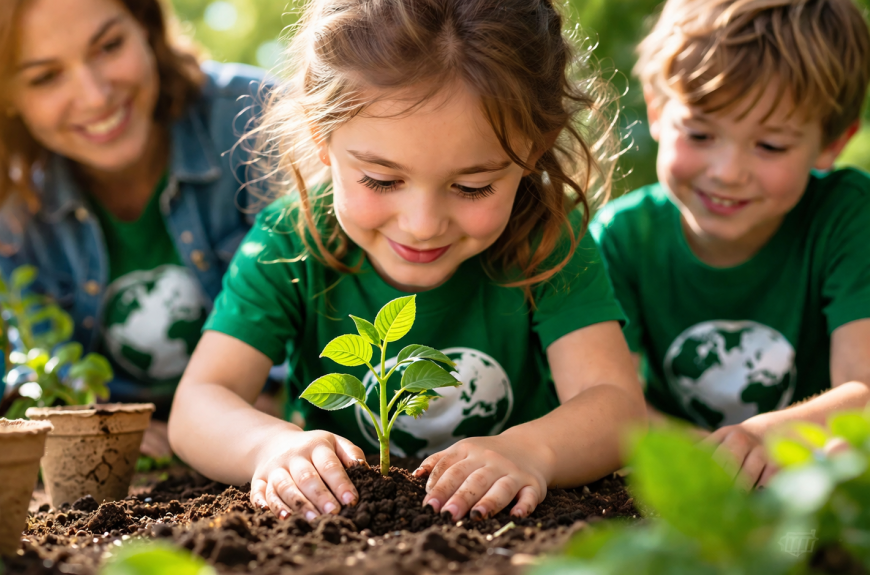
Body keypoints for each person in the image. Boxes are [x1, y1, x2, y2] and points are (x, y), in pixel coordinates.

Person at [168, 0, 646, 523]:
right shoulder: (291, 243)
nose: (422, 224)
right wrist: (268, 446)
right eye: (381, 180)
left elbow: (616, 407)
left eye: (472, 186)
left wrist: (533, 451)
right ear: (320, 135)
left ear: (536, 148)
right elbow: (200, 403)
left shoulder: (546, 236)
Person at [0, 0, 273, 455]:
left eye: (109, 46)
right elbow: (4, 378)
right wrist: (90, 430)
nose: (94, 95)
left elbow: (329, 306)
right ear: (1, 97)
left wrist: (218, 428)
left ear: (146, 26)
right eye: (45, 77)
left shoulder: (258, 122)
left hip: (269, 438)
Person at [591, 0, 870, 488]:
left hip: (814, 482)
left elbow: (863, 391)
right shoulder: (622, 238)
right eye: (700, 133)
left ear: (830, 145)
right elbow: (607, 405)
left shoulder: (849, 218)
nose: (727, 172)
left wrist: (767, 435)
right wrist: (713, 460)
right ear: (657, 113)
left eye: (770, 146)